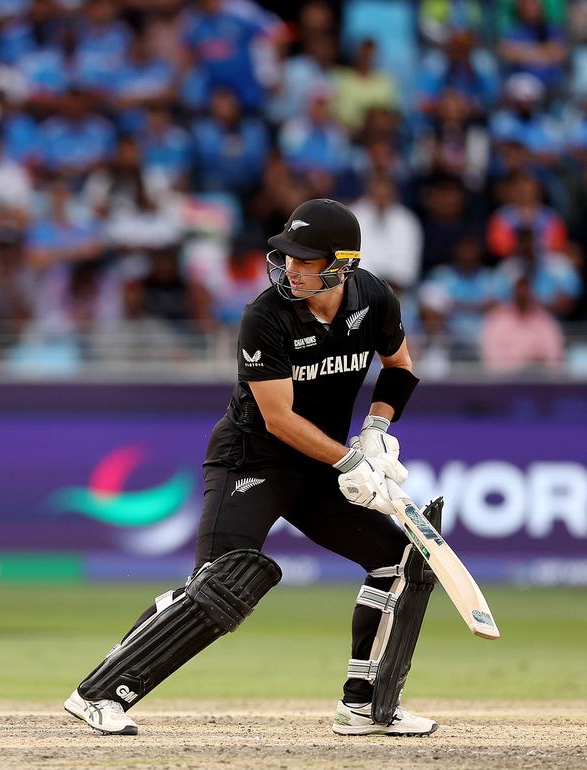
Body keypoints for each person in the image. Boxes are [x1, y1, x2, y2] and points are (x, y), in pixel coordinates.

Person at [64, 199, 438, 737]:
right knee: (219, 587)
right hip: (252, 458)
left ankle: (366, 706)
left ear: (342, 264)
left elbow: (400, 368)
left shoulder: (374, 298)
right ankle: (98, 693)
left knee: (397, 561)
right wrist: (351, 458)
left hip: (317, 463)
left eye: (306, 260)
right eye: (287, 256)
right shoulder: (266, 315)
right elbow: (280, 419)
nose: (291, 268)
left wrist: (377, 429)